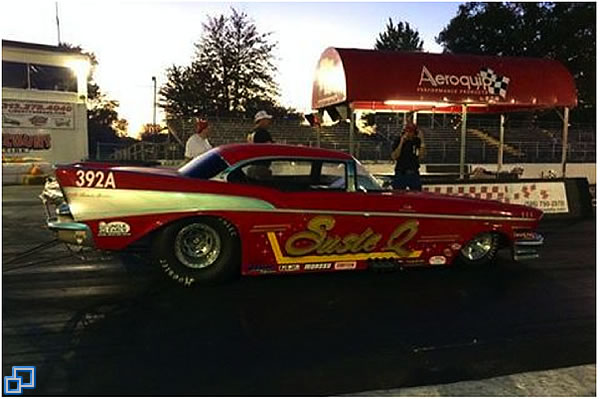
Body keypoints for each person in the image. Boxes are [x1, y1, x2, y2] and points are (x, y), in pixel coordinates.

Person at [391, 121, 425, 190]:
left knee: (417, 193)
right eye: (407, 131)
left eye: (411, 132)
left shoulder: (417, 141)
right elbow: (394, 156)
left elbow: (421, 156)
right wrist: (401, 143)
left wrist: (422, 141)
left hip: (413, 172)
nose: (409, 134)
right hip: (401, 172)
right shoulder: (398, 140)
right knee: (398, 194)